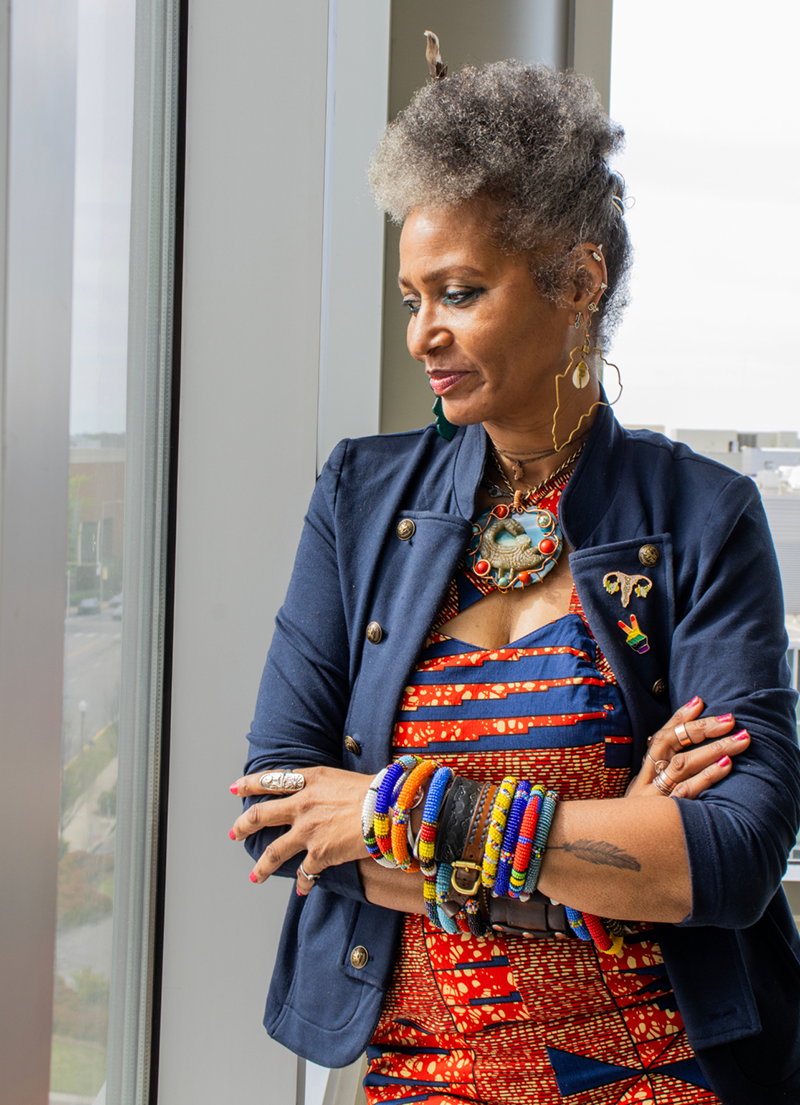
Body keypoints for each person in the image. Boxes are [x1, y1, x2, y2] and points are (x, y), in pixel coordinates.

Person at [228, 52, 800, 1105]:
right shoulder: (359, 497)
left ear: (578, 280)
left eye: (459, 292)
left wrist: (397, 809)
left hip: (663, 1073)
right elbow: (282, 816)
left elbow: (728, 858)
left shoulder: (703, 517)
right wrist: (607, 854)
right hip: (424, 1075)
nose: (422, 334)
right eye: (412, 298)